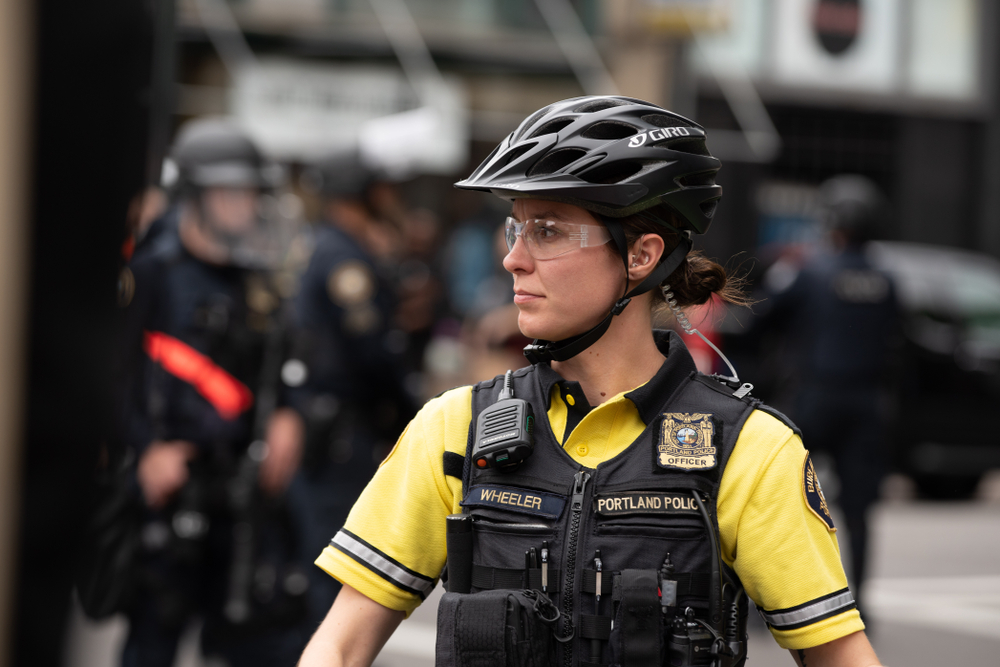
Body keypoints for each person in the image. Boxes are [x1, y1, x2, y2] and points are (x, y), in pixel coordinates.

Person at [298, 96, 882, 667]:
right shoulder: (454, 429)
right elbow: (340, 645)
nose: (514, 259)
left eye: (547, 231)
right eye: (515, 229)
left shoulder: (749, 451)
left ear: (642, 256)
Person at [120, 118, 309, 667]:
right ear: (195, 197)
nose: (244, 208)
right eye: (231, 193)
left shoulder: (258, 277)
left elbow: (287, 357)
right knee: (152, 639)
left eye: (250, 194)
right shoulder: (151, 274)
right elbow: (114, 375)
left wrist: (290, 416)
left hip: (240, 493)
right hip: (167, 491)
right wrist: (145, 449)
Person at [751, 175, 901, 615]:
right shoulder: (887, 280)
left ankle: (778, 602)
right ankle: (862, 605)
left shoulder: (810, 270)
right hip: (867, 405)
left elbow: (760, 318)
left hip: (815, 400)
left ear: (831, 222)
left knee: (788, 497)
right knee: (859, 511)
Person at [289, 149, 416, 636]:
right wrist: (407, 417)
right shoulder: (344, 256)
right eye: (381, 188)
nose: (390, 198)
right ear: (360, 194)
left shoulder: (323, 245)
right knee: (338, 561)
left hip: (329, 423)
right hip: (341, 431)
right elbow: (371, 350)